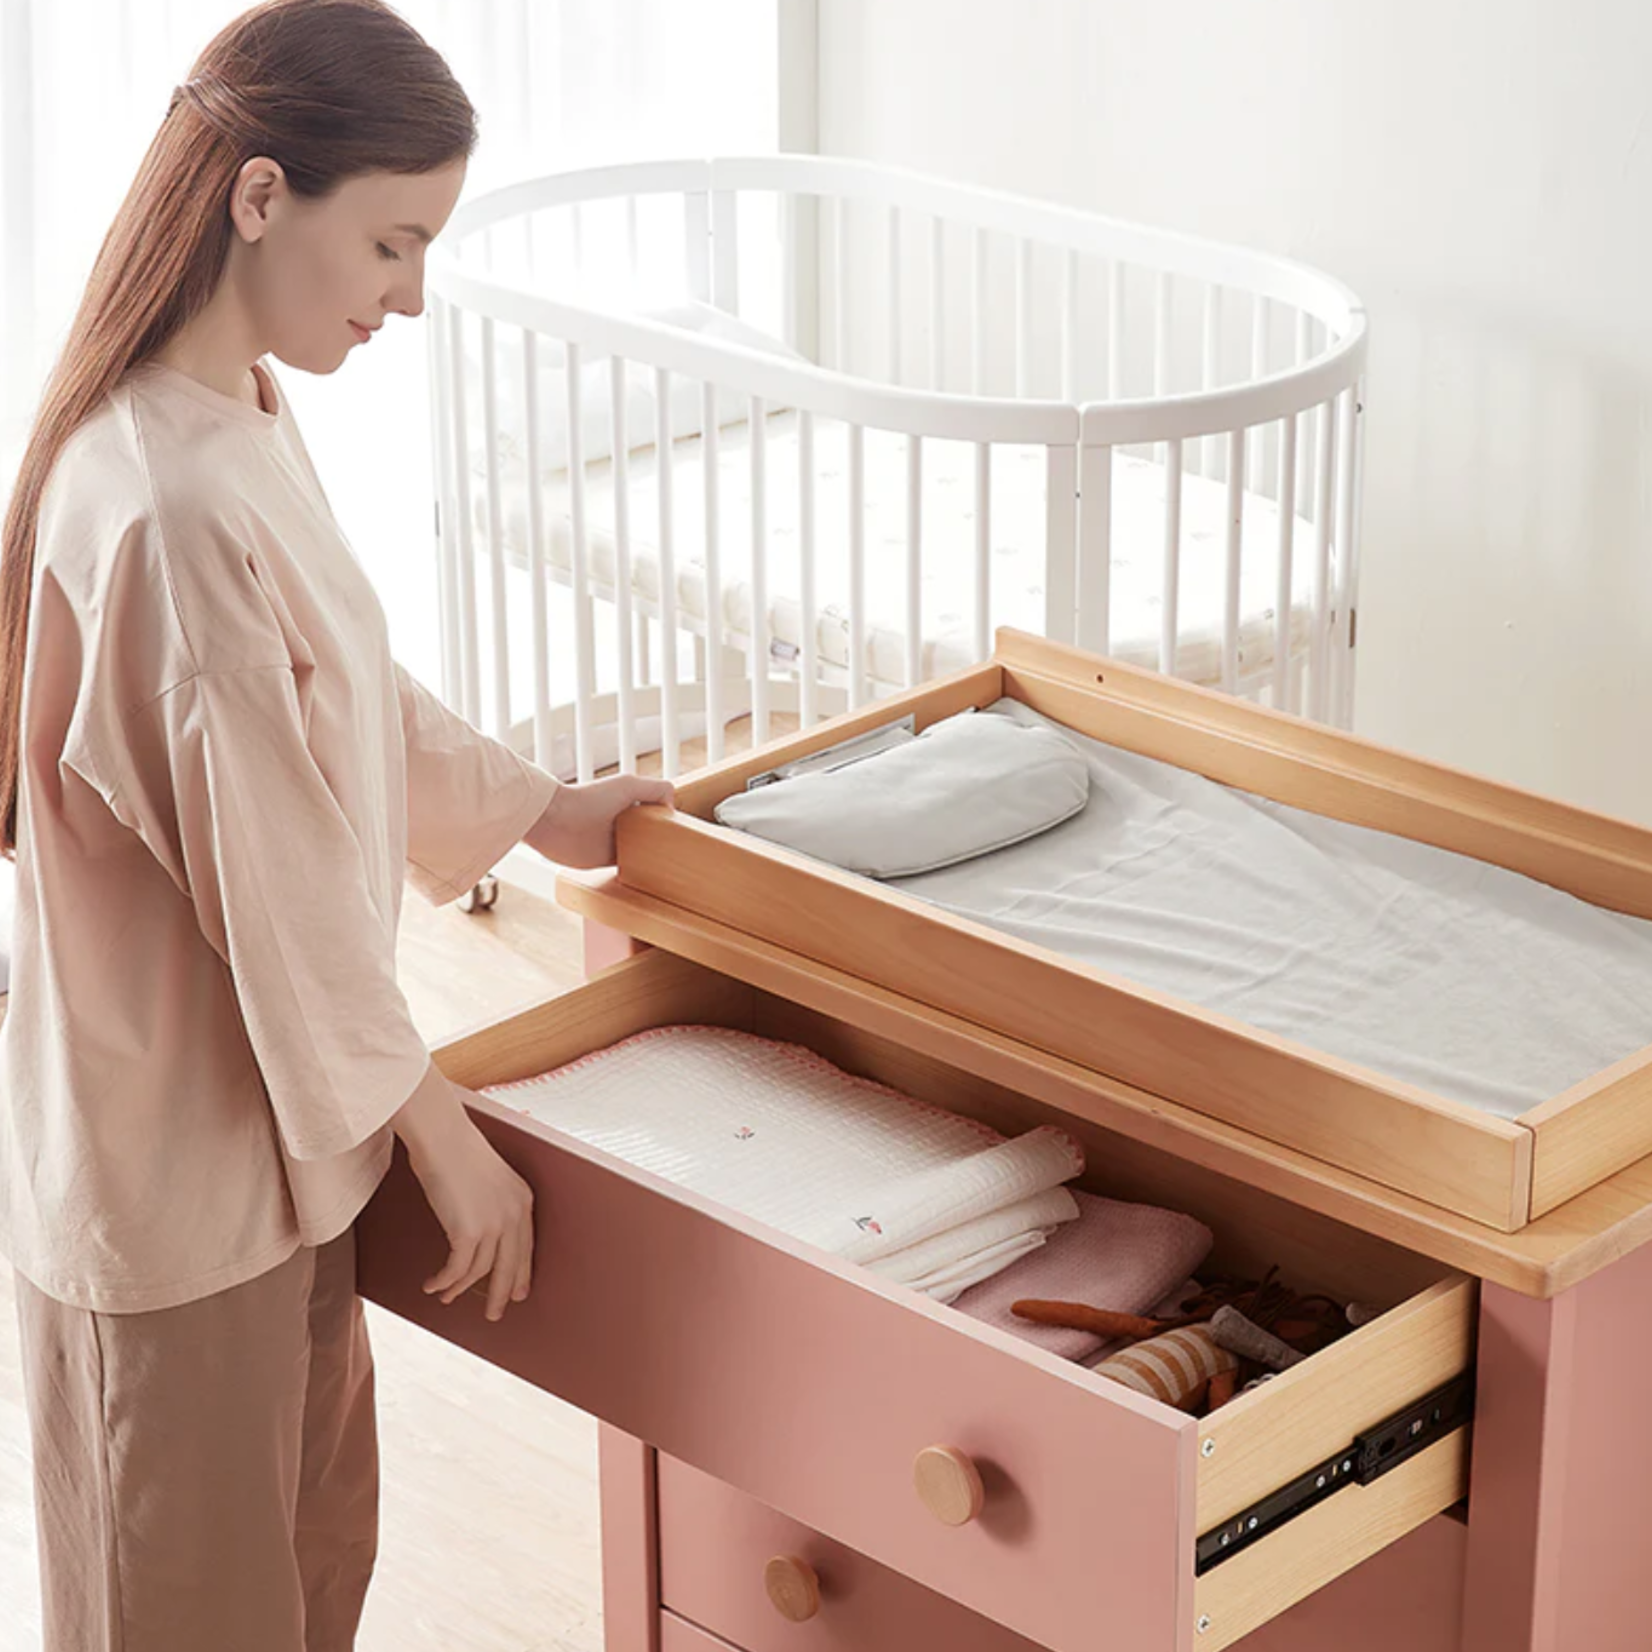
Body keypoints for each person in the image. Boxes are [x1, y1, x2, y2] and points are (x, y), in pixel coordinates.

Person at [0, 3, 673, 1647]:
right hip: (177, 1198)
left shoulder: (234, 422)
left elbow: (343, 690)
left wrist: (542, 811)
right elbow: (281, 897)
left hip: (270, 1162)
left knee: (309, 1579)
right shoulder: (158, 502)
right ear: (256, 199)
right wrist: (444, 1136)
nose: (412, 294)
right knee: (195, 1613)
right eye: (391, 240)